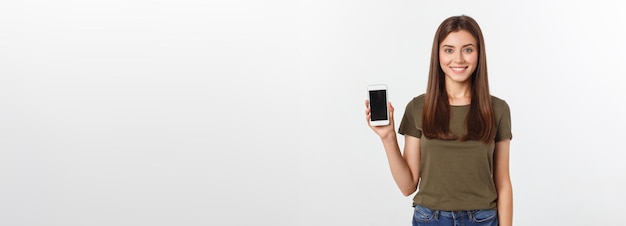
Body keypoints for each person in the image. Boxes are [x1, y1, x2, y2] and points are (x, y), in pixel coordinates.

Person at [365, 15, 513, 226]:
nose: (459, 59)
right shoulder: (418, 107)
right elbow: (408, 186)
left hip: (482, 219)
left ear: (479, 54)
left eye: (468, 49)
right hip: (429, 219)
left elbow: (503, 183)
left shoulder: (497, 109)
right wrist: (388, 137)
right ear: (438, 54)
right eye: (449, 50)